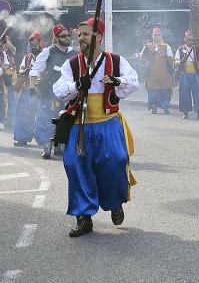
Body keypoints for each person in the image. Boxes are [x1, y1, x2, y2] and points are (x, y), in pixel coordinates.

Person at [54, 17, 139, 238]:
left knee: (115, 162)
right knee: (76, 166)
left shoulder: (115, 61)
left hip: (107, 123)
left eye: (84, 34)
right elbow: (59, 89)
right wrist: (76, 85)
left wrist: (117, 82)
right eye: (79, 34)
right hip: (80, 125)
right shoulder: (71, 64)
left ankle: (115, 202)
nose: (79, 38)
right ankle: (84, 218)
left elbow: (134, 81)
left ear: (98, 37)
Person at [30, 25, 73, 159]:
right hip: (50, 93)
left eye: (68, 35)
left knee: (67, 120)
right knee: (47, 120)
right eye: (63, 36)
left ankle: (60, 144)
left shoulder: (75, 52)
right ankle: (46, 146)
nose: (67, 38)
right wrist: (33, 86)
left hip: (69, 93)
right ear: (56, 37)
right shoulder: (48, 52)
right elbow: (35, 69)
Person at [13, 32, 44, 147]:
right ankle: (22, 138)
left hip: (41, 90)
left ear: (40, 43)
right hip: (27, 90)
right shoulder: (27, 57)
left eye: (35, 44)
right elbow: (20, 71)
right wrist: (26, 70)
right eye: (31, 45)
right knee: (23, 114)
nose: (33, 47)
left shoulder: (46, 56)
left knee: (42, 115)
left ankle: (44, 139)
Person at [139, 27, 174, 115]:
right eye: (155, 35)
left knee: (164, 91)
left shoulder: (166, 46)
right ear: (152, 36)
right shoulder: (147, 46)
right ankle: (154, 106)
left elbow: (170, 59)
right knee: (153, 91)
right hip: (152, 74)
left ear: (161, 36)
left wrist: (170, 68)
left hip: (164, 74)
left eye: (158, 35)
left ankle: (165, 107)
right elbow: (141, 57)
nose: (157, 37)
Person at [176, 30, 199, 120]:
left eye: (192, 40)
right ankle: (185, 113)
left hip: (195, 73)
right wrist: (180, 62)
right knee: (184, 93)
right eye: (189, 39)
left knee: (198, 92)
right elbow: (176, 61)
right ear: (185, 39)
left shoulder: (197, 49)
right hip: (184, 74)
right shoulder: (180, 49)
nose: (190, 41)